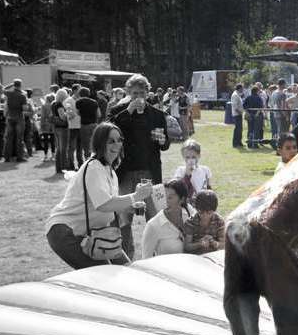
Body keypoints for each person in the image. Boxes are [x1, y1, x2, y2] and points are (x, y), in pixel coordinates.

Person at [46, 122, 151, 269]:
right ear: (100, 143)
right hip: (66, 232)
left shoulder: (110, 171)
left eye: (119, 140)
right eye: (111, 141)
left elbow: (110, 206)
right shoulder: (94, 167)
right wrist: (135, 196)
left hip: (95, 234)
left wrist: (130, 207)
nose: (117, 144)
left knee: (126, 269)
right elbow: (104, 205)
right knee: (104, 274)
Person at [108, 74, 170, 260]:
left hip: (149, 171)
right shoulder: (118, 111)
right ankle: (125, 259)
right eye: (134, 93)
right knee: (123, 219)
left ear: (147, 93)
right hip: (125, 172)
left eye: (142, 93)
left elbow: (164, 144)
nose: (138, 97)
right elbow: (108, 131)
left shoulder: (157, 114)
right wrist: (128, 111)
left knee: (154, 217)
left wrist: (163, 140)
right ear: (128, 93)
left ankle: (155, 257)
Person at [141, 179, 193, 259]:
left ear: (182, 199)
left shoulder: (190, 212)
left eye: (170, 197)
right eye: (163, 196)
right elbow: (145, 260)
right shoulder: (152, 226)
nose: (165, 201)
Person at [184, 189, 225, 254]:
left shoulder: (219, 221)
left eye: (209, 213)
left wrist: (214, 243)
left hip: (213, 256)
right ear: (197, 209)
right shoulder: (190, 222)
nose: (205, 216)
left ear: (214, 210)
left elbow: (223, 245)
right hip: (195, 256)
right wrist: (199, 244)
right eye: (201, 212)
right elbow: (187, 246)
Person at [2, 79, 27, 162]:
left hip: (10, 117)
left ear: (14, 85)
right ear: (20, 85)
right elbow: (24, 108)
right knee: (19, 138)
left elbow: (2, 89)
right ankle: (19, 157)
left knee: (8, 138)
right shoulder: (22, 95)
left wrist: (11, 84)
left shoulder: (9, 93)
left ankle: (7, 157)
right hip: (19, 117)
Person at [76, 87, 100, 159]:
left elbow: (77, 113)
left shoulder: (78, 102)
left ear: (80, 94)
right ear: (88, 93)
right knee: (94, 142)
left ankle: (87, 158)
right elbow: (99, 114)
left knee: (85, 143)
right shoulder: (94, 102)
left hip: (84, 125)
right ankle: (95, 157)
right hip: (94, 124)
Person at [52, 89, 70, 173]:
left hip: (56, 127)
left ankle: (58, 168)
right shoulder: (59, 104)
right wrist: (68, 113)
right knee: (63, 149)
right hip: (62, 128)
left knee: (58, 148)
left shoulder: (53, 103)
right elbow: (62, 117)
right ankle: (63, 167)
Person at [65, 85, 83, 169]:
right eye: (79, 90)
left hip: (81, 126)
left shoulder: (82, 99)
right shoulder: (68, 100)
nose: (81, 91)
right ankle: (70, 165)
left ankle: (80, 165)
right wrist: (76, 113)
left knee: (80, 148)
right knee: (72, 147)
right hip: (73, 127)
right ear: (75, 90)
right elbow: (69, 114)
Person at [39, 93, 56, 162]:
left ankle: (46, 156)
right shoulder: (54, 105)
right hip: (53, 124)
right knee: (52, 141)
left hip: (45, 124)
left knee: (45, 141)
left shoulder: (44, 105)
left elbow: (42, 116)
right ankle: (53, 155)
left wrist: (41, 124)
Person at [230, 83, 244, 148]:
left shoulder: (238, 94)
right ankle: (235, 143)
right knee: (237, 129)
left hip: (239, 114)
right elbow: (235, 106)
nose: (243, 89)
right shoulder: (235, 95)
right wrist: (240, 112)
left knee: (240, 129)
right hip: (237, 114)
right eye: (242, 88)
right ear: (239, 88)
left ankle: (239, 142)